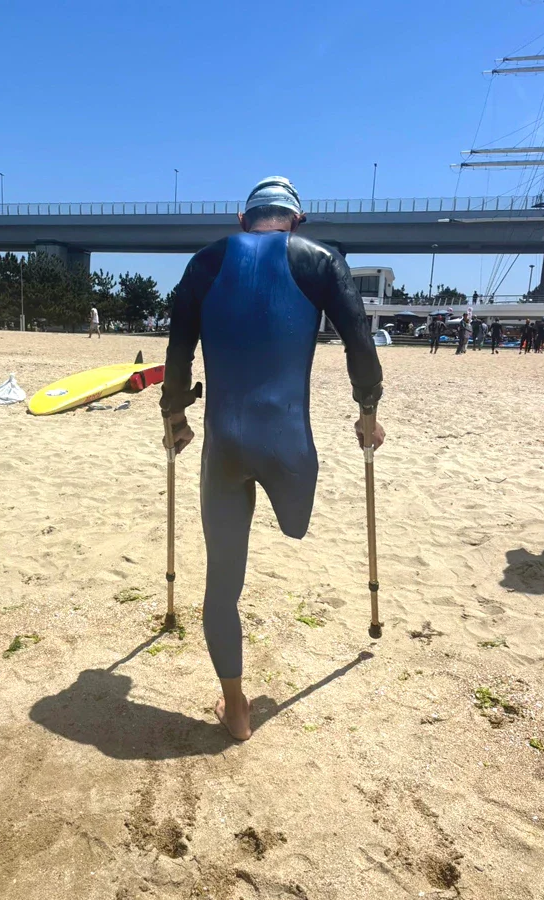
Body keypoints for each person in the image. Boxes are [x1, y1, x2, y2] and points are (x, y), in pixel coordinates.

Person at [161, 176, 385, 741]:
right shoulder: (321, 261)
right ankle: (289, 520)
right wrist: (367, 411)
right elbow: (359, 342)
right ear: (296, 220)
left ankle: (236, 707)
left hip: (224, 446)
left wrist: (175, 415)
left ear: (242, 220)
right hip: (291, 451)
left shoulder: (205, 263)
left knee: (222, 584)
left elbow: (179, 347)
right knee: (294, 527)